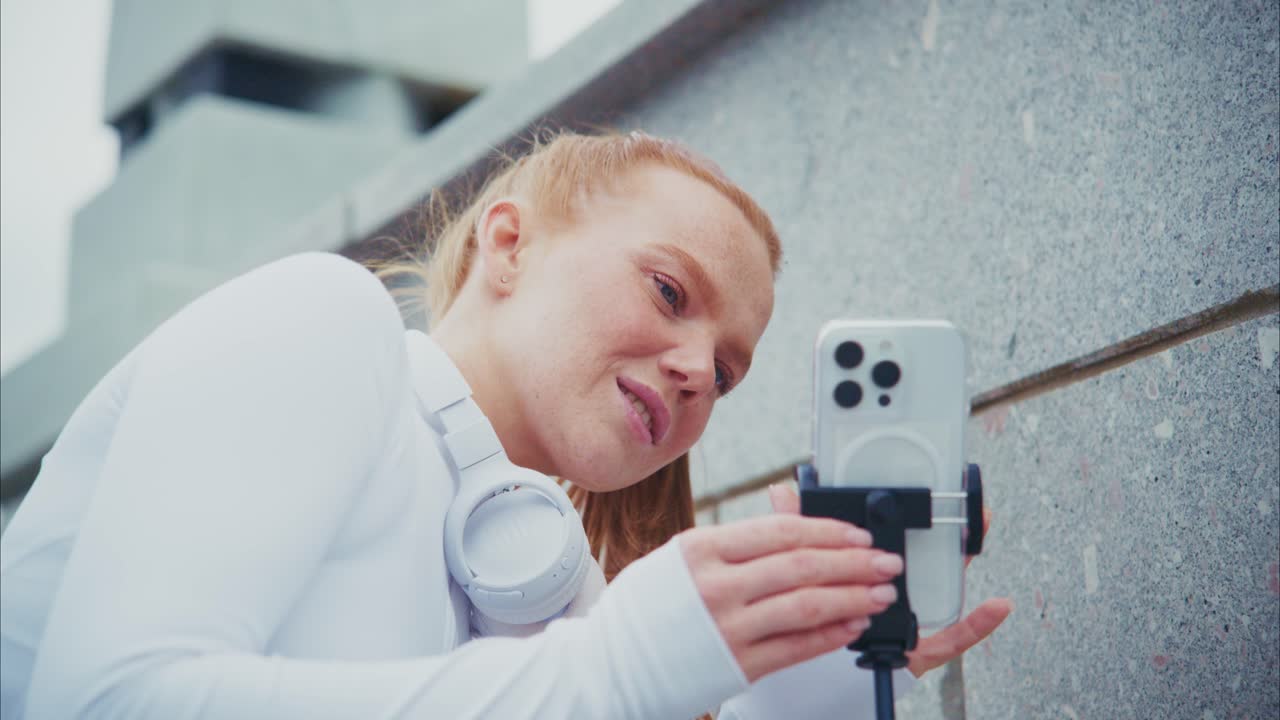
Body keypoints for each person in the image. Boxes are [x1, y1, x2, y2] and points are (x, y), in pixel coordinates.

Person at [0, 130, 1010, 719]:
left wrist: (803, 689)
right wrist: (619, 669)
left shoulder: (560, 602)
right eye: (667, 291)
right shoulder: (321, 316)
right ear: (509, 242)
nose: (699, 370)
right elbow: (108, 703)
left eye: (729, 373)